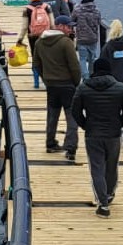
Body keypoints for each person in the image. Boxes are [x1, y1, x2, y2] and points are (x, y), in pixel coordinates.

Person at [71, 58, 123, 218]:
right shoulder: (121, 88)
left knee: (97, 168)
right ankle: (109, 194)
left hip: (93, 134)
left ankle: (103, 205)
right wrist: (120, 124)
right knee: (112, 166)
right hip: (113, 134)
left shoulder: (84, 88)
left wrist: (85, 125)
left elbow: (75, 111)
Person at [33, 14, 82, 161]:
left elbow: (36, 64)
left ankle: (50, 143)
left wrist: (45, 78)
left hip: (51, 85)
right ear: (60, 26)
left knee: (52, 115)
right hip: (67, 84)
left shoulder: (39, 42)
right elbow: (74, 67)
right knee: (71, 118)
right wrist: (76, 82)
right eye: (68, 26)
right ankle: (71, 148)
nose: (70, 29)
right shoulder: (66, 43)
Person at [16, 0, 54, 88]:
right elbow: (52, 23)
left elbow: (25, 27)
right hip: (46, 35)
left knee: (35, 57)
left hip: (33, 36)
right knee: (46, 57)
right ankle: (47, 80)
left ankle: (36, 82)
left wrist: (20, 39)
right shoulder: (47, 7)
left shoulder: (27, 9)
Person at [71, 0, 105, 80]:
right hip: (93, 38)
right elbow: (98, 22)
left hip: (81, 38)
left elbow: (72, 20)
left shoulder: (77, 9)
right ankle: (92, 75)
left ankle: (85, 77)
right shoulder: (96, 10)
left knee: (82, 59)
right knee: (92, 58)